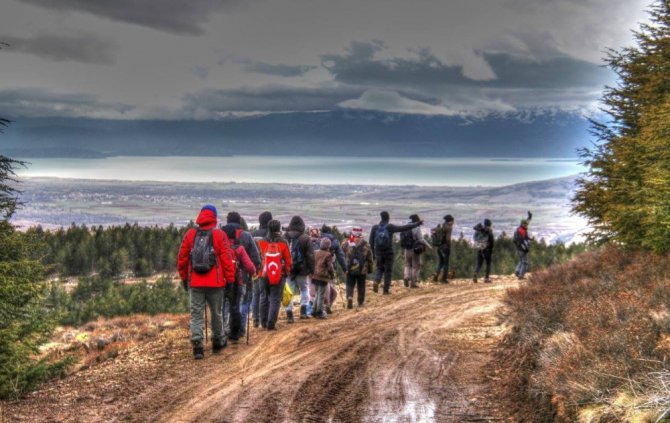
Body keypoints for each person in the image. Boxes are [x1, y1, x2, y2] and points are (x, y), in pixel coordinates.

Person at [177, 204, 236, 359]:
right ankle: (218, 341)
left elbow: (182, 259)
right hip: (215, 283)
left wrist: (184, 278)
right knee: (216, 312)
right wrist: (230, 280)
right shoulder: (219, 235)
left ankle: (197, 345)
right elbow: (226, 260)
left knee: (196, 314)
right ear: (214, 217)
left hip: (196, 283)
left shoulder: (190, 234)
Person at [221, 212, 260, 342]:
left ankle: (222, 329)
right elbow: (255, 258)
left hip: (222, 278)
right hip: (241, 277)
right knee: (239, 303)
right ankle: (238, 329)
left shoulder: (220, 235)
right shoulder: (246, 236)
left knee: (224, 304)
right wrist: (254, 271)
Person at [369, 211, 423, 295]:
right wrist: (416, 224)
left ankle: (376, 281)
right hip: (388, 252)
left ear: (381, 218)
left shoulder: (374, 228)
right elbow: (403, 228)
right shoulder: (390, 227)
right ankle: (386, 291)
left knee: (380, 269)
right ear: (388, 218)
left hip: (378, 252)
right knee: (388, 270)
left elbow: (371, 242)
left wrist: (373, 253)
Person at [257, 219, 291, 330]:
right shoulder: (283, 242)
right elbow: (288, 260)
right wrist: (287, 272)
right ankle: (271, 324)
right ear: (278, 228)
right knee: (275, 299)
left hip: (263, 273)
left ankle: (263, 322)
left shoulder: (261, 242)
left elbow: (258, 258)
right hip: (278, 274)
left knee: (263, 298)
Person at [283, 215, 315, 321]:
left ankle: (289, 314)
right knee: (304, 289)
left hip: (288, 270)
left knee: (289, 291)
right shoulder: (305, 238)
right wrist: (311, 270)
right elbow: (310, 256)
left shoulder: (284, 237)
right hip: (302, 270)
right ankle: (303, 310)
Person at [251, 211, 273, 328]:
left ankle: (255, 319)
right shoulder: (271, 234)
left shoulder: (254, 234)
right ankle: (266, 317)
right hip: (268, 267)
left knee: (256, 294)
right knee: (267, 294)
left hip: (255, 268)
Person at [342, 226, 374, 308]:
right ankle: (360, 302)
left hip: (350, 268)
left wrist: (344, 267)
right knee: (361, 285)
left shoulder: (346, 243)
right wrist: (370, 268)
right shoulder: (366, 244)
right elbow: (370, 258)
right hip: (362, 269)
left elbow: (341, 254)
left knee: (349, 284)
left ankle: (349, 297)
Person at [319, 225, 346, 313]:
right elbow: (341, 256)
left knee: (318, 289)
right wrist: (345, 268)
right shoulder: (335, 242)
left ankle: (319, 306)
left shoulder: (317, 240)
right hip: (330, 267)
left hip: (316, 268)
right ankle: (328, 305)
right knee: (331, 286)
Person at [401, 214, 432, 288]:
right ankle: (413, 283)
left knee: (407, 264)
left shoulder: (406, 226)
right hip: (415, 249)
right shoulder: (416, 228)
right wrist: (429, 246)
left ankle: (406, 277)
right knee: (416, 266)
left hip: (407, 248)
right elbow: (421, 239)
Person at [312, 237, 335, 319]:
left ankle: (313, 310)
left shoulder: (315, 252)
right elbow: (330, 267)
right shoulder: (328, 255)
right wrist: (332, 275)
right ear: (328, 246)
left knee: (318, 293)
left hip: (314, 276)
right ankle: (319, 312)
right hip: (323, 277)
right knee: (321, 295)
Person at [432, 214, 454, 283]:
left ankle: (436, 276)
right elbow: (448, 239)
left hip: (439, 247)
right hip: (445, 248)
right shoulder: (448, 227)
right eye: (452, 221)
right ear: (449, 221)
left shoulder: (442, 226)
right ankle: (443, 279)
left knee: (440, 262)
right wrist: (449, 246)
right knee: (446, 263)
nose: (453, 223)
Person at [472, 219, 495, 283]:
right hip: (487, 250)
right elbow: (491, 241)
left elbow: (474, 238)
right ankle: (486, 278)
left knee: (479, 264)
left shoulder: (478, 230)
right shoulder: (489, 231)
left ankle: (475, 274)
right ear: (489, 224)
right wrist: (491, 249)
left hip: (479, 249)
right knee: (488, 264)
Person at [513, 211, 533, 280]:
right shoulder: (522, 231)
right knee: (525, 262)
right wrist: (526, 249)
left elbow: (526, 221)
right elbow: (522, 241)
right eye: (526, 224)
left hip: (518, 248)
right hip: (522, 248)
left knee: (521, 260)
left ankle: (517, 271)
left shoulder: (520, 228)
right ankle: (521, 276)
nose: (527, 225)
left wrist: (529, 217)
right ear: (523, 224)